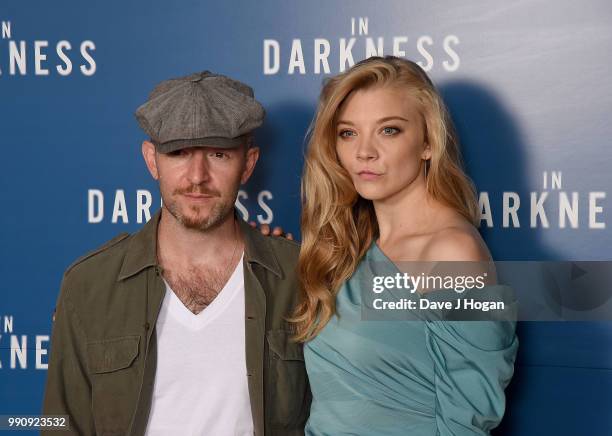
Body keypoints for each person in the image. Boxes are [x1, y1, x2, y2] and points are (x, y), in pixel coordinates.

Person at [43, 71, 310, 436]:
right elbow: (60, 425)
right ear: (152, 160)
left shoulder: (301, 276)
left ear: (248, 164)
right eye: (179, 153)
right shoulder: (89, 285)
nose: (197, 176)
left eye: (218, 154)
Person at [293, 56, 518, 435]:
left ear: (428, 142)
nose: (364, 152)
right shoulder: (350, 245)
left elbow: (467, 419)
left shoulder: (450, 252)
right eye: (348, 133)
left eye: (389, 131)